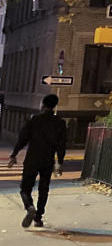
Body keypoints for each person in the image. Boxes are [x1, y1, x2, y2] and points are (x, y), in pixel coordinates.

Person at [10, 94, 68, 228]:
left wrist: (14, 154)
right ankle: (38, 217)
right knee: (44, 189)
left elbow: (23, 138)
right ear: (55, 105)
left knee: (25, 188)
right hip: (47, 160)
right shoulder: (60, 122)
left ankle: (29, 206)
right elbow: (62, 144)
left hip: (32, 159)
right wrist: (59, 161)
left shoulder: (34, 120)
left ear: (43, 104)